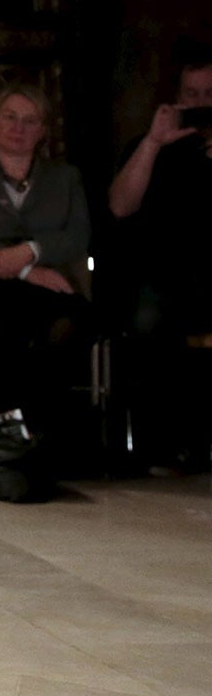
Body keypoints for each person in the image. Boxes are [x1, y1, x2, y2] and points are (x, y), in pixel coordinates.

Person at [0, 83, 92, 499]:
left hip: (46, 284)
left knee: (66, 323)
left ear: (43, 131)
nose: (18, 128)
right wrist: (25, 269)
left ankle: (37, 434)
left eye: (30, 121)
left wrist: (34, 249)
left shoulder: (65, 178)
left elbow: (77, 236)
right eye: (10, 117)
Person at [106, 47, 212, 472]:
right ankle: (166, 446)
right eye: (192, 93)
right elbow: (119, 206)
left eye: (210, 93)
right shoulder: (151, 146)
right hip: (166, 278)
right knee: (148, 321)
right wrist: (153, 143)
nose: (202, 103)